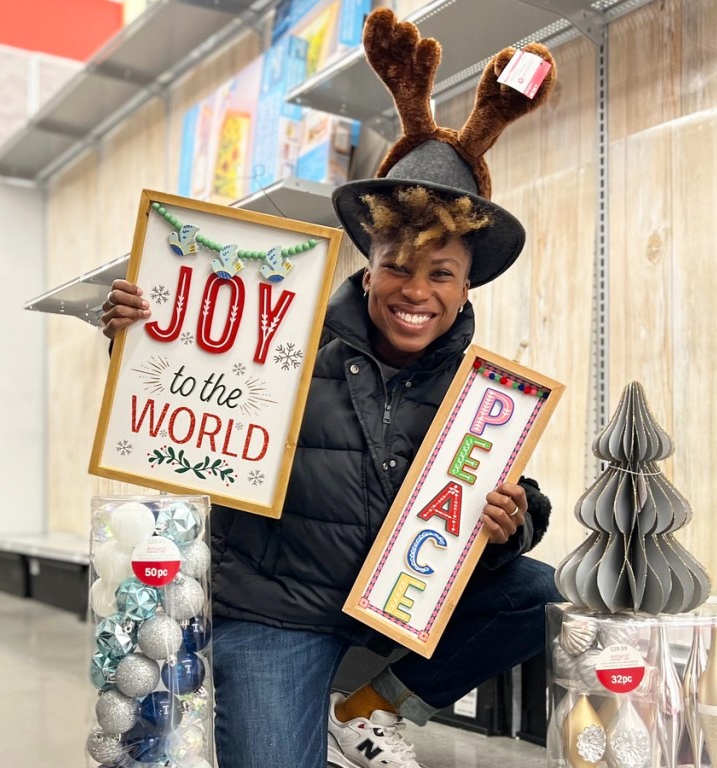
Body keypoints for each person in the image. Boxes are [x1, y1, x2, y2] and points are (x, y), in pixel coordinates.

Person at [100, 10, 562, 768]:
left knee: (539, 590)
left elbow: (503, 489)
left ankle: (369, 711)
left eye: (440, 272)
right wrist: (136, 328)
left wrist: (517, 519)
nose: (416, 290)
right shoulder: (280, 338)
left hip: (394, 608)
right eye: (398, 266)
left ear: (466, 281)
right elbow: (186, 378)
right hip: (279, 611)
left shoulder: (476, 389)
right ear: (368, 264)